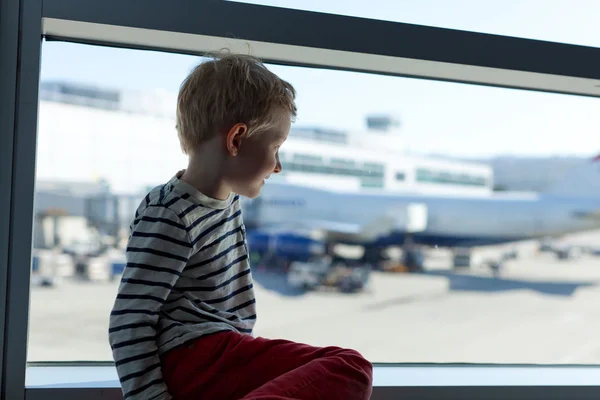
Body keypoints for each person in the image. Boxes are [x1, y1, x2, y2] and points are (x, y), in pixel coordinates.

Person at [108, 53, 373, 400]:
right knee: (349, 367)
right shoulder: (170, 211)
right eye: (276, 147)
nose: (277, 166)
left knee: (350, 370)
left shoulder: (226, 200)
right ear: (236, 139)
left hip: (219, 354)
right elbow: (129, 319)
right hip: (196, 358)